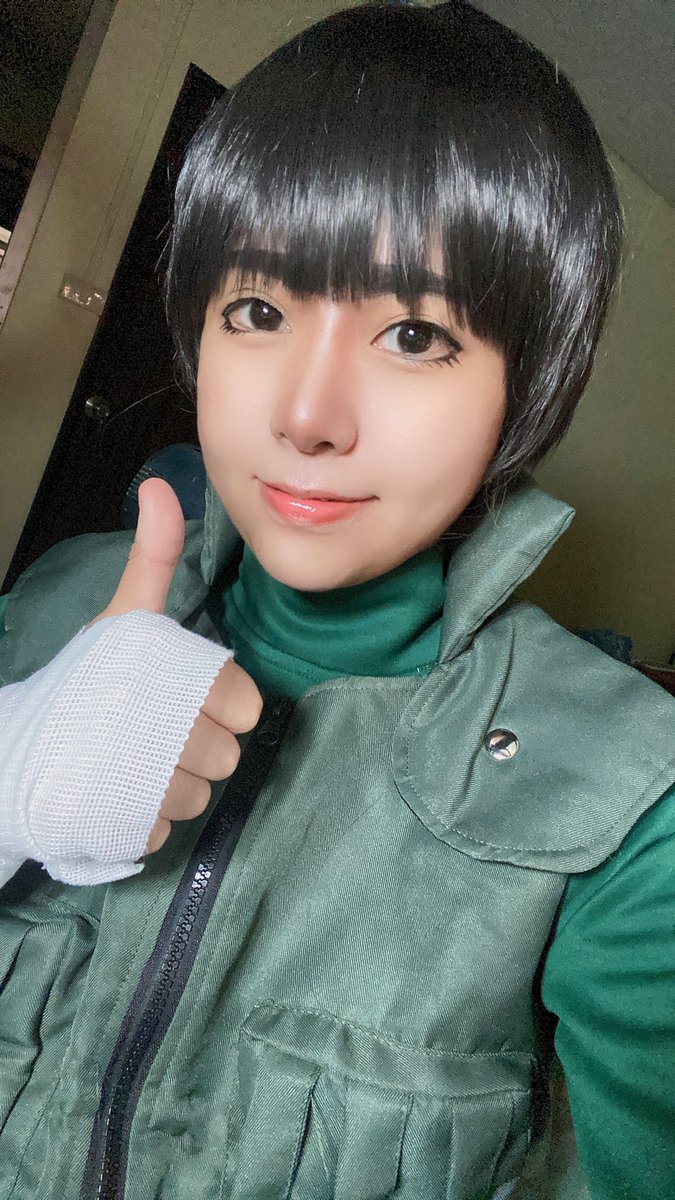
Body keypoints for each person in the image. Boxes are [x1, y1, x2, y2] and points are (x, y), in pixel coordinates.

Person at [0, 3, 673, 1197]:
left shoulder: (624, 795)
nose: (307, 415)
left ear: (526, 392)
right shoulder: (52, 608)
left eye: (414, 333)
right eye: (258, 313)